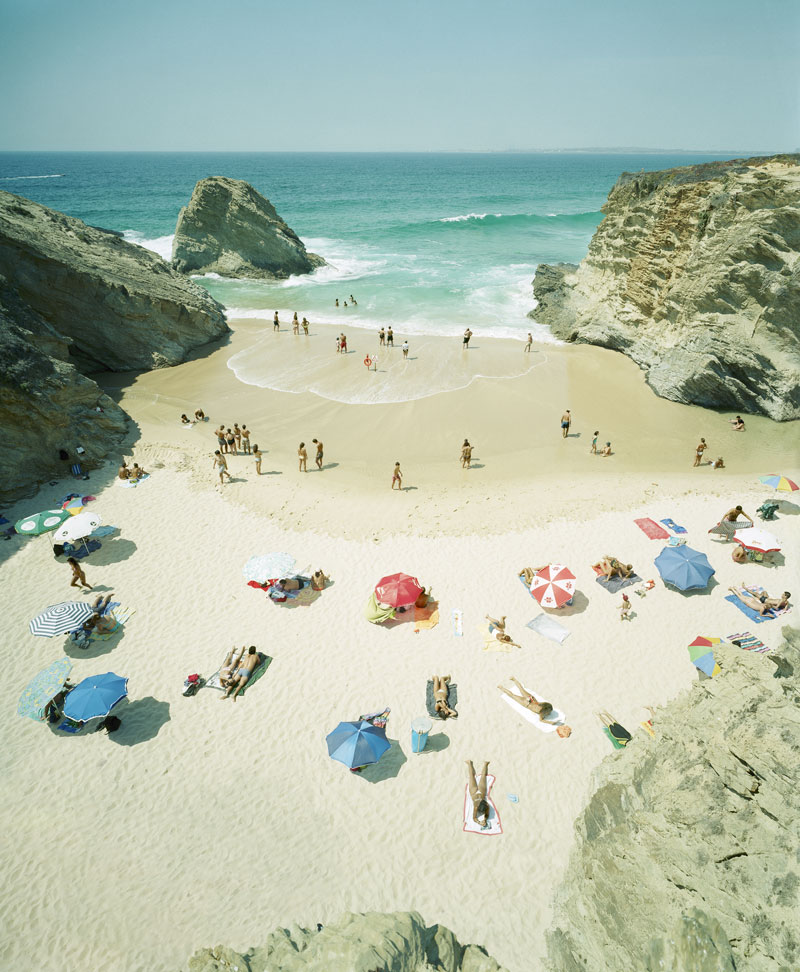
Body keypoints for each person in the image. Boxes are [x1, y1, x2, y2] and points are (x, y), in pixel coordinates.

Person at [466, 759, 490, 829]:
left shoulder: (485, 805)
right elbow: (474, 818)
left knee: (481, 776)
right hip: (474, 793)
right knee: (472, 776)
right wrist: (482, 820)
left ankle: (485, 764)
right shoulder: (479, 806)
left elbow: (474, 818)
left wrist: (483, 820)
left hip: (481, 792)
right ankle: (470, 763)